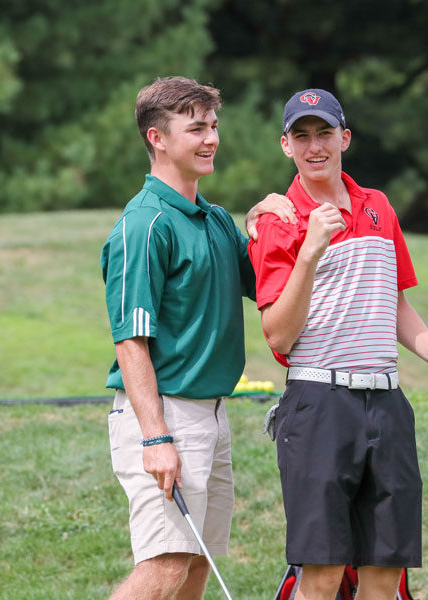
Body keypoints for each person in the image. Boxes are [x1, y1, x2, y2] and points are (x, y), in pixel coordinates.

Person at [248, 88, 428, 600]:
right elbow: (277, 334)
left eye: (324, 133)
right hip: (318, 404)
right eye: (301, 137)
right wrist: (308, 252)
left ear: (344, 137)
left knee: (384, 573)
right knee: (323, 573)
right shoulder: (276, 221)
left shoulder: (378, 207)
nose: (315, 147)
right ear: (286, 146)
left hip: (387, 403)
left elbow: (393, 305)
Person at [100, 76, 294, 600]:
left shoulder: (213, 219)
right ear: (157, 139)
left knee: (194, 568)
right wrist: (156, 436)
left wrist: (264, 225)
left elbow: (266, 286)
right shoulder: (143, 225)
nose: (210, 139)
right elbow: (130, 342)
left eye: (213, 126)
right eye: (196, 128)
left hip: (211, 413)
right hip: (164, 416)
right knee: (165, 567)